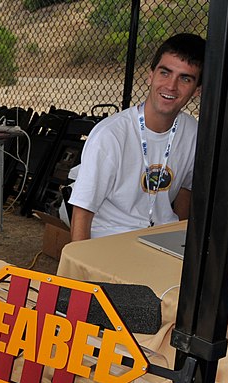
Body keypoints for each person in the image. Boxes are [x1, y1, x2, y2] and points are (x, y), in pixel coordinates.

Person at [67, 33, 206, 241]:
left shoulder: (193, 132)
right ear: (150, 75)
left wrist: (179, 241)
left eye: (185, 78)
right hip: (110, 237)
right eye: (165, 73)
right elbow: (82, 212)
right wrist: (81, 267)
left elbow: (186, 189)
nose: (171, 86)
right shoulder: (110, 135)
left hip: (160, 236)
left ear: (197, 90)